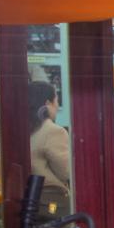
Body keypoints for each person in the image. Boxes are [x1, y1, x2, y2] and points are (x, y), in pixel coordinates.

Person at [28, 80, 72, 213]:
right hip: (52, 204)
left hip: (32, 200)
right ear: (47, 104)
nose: (57, 106)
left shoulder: (27, 128)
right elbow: (66, 172)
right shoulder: (54, 131)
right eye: (56, 101)